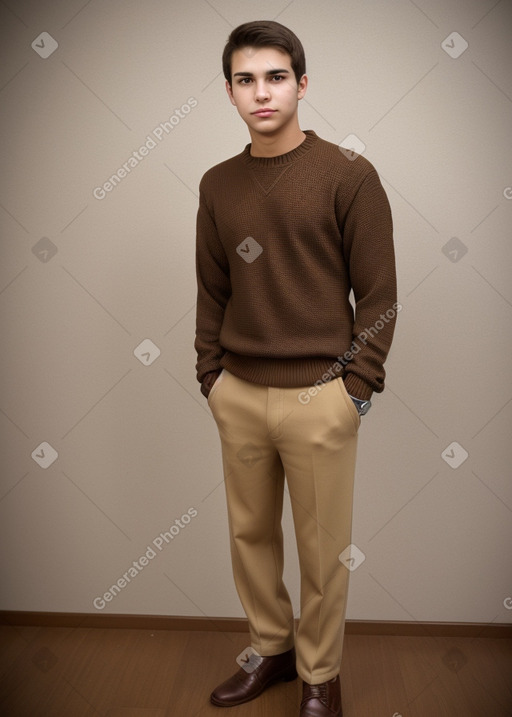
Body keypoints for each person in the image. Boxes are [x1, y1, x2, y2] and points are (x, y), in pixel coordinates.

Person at [194, 19, 397, 717]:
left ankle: (320, 676)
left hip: (322, 396)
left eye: (276, 77)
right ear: (230, 92)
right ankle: (272, 650)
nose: (262, 93)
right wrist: (209, 377)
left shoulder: (348, 174)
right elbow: (212, 287)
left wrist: (356, 388)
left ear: (302, 84)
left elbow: (378, 295)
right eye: (246, 80)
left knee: (321, 549)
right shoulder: (217, 184)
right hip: (239, 392)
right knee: (250, 537)